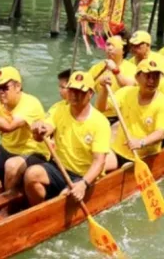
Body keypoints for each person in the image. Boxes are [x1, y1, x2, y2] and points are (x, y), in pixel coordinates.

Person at [24, 72, 111, 206]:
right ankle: (37, 211)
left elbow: (99, 162)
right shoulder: (59, 109)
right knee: (31, 174)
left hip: (83, 175)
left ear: (90, 94)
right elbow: (45, 131)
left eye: (80, 91)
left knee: (65, 198)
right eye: (72, 90)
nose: (75, 95)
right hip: (59, 168)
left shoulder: (100, 122)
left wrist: (83, 184)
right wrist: (38, 130)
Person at [105, 57, 164, 171]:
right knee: (99, 162)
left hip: (143, 156)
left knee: (126, 168)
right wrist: (103, 89)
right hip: (118, 150)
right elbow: (102, 107)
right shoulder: (127, 92)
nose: (151, 81)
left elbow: (160, 133)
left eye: (155, 77)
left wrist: (141, 143)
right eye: (148, 76)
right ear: (137, 77)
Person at [90, 35, 138, 124]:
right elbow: (86, 88)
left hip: (120, 117)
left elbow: (127, 85)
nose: (110, 48)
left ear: (123, 50)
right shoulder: (97, 68)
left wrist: (115, 70)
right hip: (99, 115)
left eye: (114, 45)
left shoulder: (132, 68)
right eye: (108, 45)